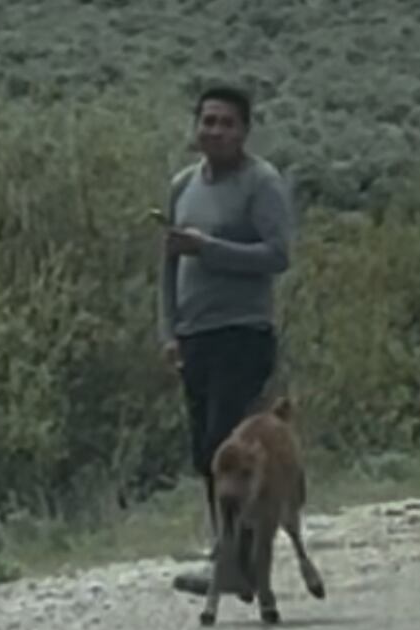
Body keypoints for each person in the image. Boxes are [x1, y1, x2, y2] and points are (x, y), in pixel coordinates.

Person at [156, 85, 297, 595]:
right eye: (207, 121)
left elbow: (278, 255)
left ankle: (236, 563)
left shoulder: (262, 183)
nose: (215, 130)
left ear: (245, 131)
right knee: (206, 455)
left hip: (244, 333)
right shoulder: (182, 186)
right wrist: (168, 330)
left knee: (231, 447)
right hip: (196, 337)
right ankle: (232, 560)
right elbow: (168, 264)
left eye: (226, 123)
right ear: (195, 126)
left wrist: (209, 248)